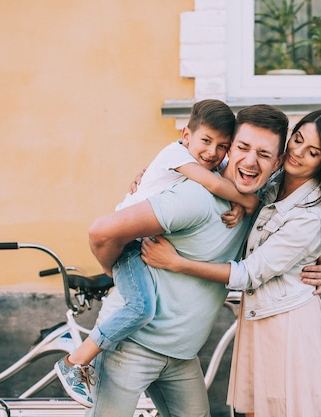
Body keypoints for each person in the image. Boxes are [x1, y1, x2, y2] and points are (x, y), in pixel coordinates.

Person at [85, 104, 321, 417]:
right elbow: (101, 233)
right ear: (230, 147)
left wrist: (314, 258)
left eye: (264, 155)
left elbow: (282, 234)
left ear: (278, 161)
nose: (250, 161)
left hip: (182, 355)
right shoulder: (193, 198)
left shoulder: (256, 200)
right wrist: (117, 274)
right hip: (131, 347)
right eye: (242, 147)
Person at [141, 108, 321, 417]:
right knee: (254, 411)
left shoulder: (312, 214)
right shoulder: (273, 175)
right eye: (297, 140)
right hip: (259, 317)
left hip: (286, 325)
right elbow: (213, 159)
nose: (297, 153)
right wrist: (155, 173)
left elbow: (249, 273)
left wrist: (176, 263)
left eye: (312, 152)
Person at [54, 99, 259, 408]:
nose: (213, 152)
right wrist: (248, 202)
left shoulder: (206, 164)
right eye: (206, 141)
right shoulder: (183, 162)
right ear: (185, 135)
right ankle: (74, 362)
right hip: (133, 251)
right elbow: (214, 185)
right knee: (140, 308)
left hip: (181, 352)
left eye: (222, 146)